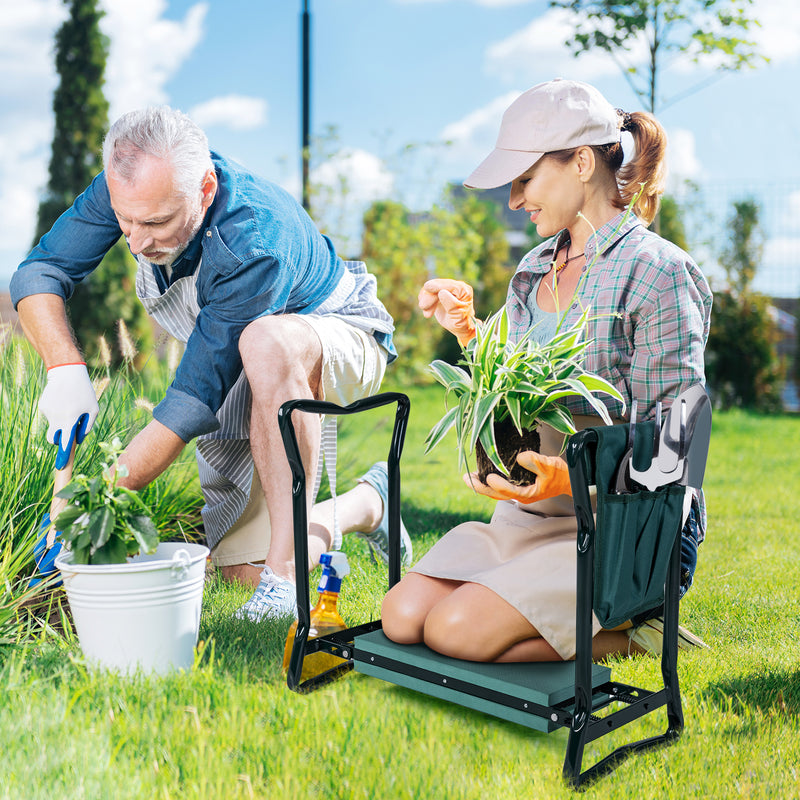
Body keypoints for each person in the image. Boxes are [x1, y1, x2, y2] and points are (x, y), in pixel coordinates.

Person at [11, 106, 411, 621]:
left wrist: (94, 502)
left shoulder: (251, 240)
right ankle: (371, 502)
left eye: (156, 223)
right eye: (124, 220)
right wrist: (64, 367)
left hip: (338, 333)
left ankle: (285, 579)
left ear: (204, 190)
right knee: (240, 572)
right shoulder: (132, 186)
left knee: (265, 341)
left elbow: (190, 402)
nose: (136, 241)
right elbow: (40, 270)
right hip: (240, 349)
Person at [381, 78, 712, 662]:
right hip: (532, 516)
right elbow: (518, 390)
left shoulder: (658, 273)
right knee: (403, 617)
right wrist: (469, 330)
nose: (514, 200)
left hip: (623, 527)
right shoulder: (535, 268)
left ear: (581, 163)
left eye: (525, 179)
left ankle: (640, 632)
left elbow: (677, 445)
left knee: (455, 631)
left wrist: (571, 479)